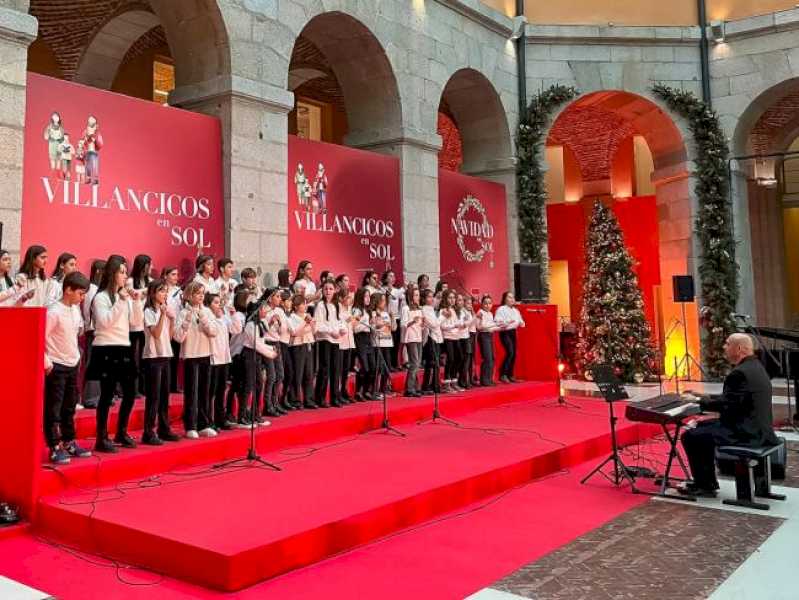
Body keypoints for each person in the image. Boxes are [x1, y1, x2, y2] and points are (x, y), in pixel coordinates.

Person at [680, 333, 780, 498]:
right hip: (759, 427)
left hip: (745, 433)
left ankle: (705, 485)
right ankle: (706, 481)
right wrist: (701, 396)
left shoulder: (739, 373)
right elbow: (734, 399)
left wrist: (699, 403)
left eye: (727, 344)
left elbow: (726, 405)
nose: (724, 347)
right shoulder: (756, 366)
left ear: (739, 348)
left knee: (691, 435)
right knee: (700, 427)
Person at [88, 255, 142, 452]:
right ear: (112, 274)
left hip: (123, 346)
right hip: (106, 348)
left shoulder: (124, 297)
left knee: (129, 393)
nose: (125, 275)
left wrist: (135, 302)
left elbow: (136, 323)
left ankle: (121, 431)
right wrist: (121, 300)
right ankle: (101, 438)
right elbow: (104, 322)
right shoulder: (101, 297)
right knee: (107, 395)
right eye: (121, 271)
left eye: (126, 272)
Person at [44, 271, 92, 464]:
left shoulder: (74, 309)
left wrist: (77, 359)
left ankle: (69, 441)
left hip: (72, 364)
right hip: (56, 365)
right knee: (53, 409)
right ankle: (54, 447)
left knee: (69, 407)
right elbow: (40, 339)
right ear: (68, 290)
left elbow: (73, 336)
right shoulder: (53, 312)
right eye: (80, 293)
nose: (83, 298)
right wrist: (46, 363)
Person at [173, 281, 218, 439]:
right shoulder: (183, 312)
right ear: (190, 295)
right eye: (198, 293)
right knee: (192, 391)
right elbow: (178, 337)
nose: (201, 296)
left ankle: (203, 424)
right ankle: (190, 425)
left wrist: (204, 320)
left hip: (205, 353)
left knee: (205, 390)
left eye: (202, 293)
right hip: (191, 355)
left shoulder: (206, 311)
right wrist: (186, 322)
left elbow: (214, 331)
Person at [141, 278, 178, 445]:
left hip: (165, 354)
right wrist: (163, 315)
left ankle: (164, 428)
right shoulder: (148, 311)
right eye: (161, 291)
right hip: (152, 357)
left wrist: (171, 319)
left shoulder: (165, 311)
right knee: (154, 396)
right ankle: (148, 432)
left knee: (164, 395)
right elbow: (155, 334)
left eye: (166, 291)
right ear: (153, 293)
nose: (164, 294)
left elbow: (168, 337)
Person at [206, 291, 242, 430]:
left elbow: (236, 329)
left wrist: (232, 315)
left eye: (220, 302)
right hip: (213, 358)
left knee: (221, 390)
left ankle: (220, 419)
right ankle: (208, 420)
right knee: (211, 392)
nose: (219, 305)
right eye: (215, 302)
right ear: (208, 305)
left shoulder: (224, 317)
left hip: (224, 358)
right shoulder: (208, 318)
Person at [241, 300, 278, 425]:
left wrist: (270, 349)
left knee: (258, 384)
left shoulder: (260, 323)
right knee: (248, 386)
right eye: (262, 309)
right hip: (249, 355)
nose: (265, 311)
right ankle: (242, 416)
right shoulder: (250, 325)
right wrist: (269, 353)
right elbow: (255, 344)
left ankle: (255, 413)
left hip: (257, 356)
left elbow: (262, 342)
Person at [314, 280, 346, 407]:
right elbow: (318, 325)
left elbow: (341, 320)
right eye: (326, 289)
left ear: (335, 291)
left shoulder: (337, 305)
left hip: (335, 340)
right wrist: (331, 332)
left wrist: (342, 329)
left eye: (330, 289)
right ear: (322, 290)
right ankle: (320, 398)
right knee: (324, 369)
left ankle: (335, 397)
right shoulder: (320, 305)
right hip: (325, 340)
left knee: (335, 369)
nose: (328, 291)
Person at [287, 294, 317, 409]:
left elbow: (314, 331)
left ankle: (309, 399)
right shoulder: (292, 318)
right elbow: (295, 333)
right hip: (297, 346)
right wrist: (305, 324)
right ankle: (295, 400)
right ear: (295, 306)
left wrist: (311, 324)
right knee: (297, 374)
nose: (305, 306)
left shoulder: (307, 316)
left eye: (305, 303)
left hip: (308, 344)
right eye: (302, 304)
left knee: (309, 373)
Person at [128, 254, 151, 398]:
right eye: (149, 265)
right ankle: (132, 389)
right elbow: (132, 298)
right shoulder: (130, 281)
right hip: (134, 325)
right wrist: (143, 293)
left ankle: (143, 387)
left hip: (147, 324)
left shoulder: (151, 281)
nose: (151, 268)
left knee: (145, 357)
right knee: (133, 358)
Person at [494, 291, 525, 383]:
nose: (512, 299)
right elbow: (497, 321)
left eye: (513, 297)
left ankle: (510, 374)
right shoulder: (501, 309)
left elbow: (521, 321)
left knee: (514, 353)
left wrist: (521, 322)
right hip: (505, 332)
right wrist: (507, 322)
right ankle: (502, 374)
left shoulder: (516, 310)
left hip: (513, 332)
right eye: (509, 297)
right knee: (510, 352)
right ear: (505, 299)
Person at [161, 266, 183, 393]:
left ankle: (174, 385)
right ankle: (164, 386)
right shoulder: (163, 290)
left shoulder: (179, 291)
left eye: (177, 274)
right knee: (165, 359)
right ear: (165, 276)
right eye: (173, 274)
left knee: (175, 358)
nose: (176, 277)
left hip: (176, 327)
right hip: (163, 327)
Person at [369, 291, 395, 399]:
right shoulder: (373, 313)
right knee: (378, 368)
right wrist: (380, 324)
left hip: (387, 342)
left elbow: (393, 328)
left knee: (387, 367)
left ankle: (383, 390)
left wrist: (392, 318)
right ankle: (375, 391)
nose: (385, 303)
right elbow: (373, 328)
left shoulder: (385, 314)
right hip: (378, 343)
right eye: (383, 300)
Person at [401, 285, 424, 397]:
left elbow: (421, 325)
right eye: (415, 295)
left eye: (418, 295)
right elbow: (404, 324)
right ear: (410, 297)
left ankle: (413, 386)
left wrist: (423, 324)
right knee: (414, 363)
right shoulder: (406, 308)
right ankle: (410, 388)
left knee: (417, 363)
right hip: (410, 338)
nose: (418, 297)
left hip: (418, 337)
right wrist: (413, 321)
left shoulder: (420, 309)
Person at [439, 289, 464, 393]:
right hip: (448, 337)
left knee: (459, 358)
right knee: (451, 359)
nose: (452, 300)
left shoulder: (453, 310)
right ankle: (446, 383)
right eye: (450, 298)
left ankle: (454, 380)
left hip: (456, 337)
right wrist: (454, 325)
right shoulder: (443, 310)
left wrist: (460, 325)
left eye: (453, 298)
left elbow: (455, 323)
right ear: (445, 299)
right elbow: (442, 326)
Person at [352, 287, 374, 400]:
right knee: (364, 366)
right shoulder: (357, 310)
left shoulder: (368, 311)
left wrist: (373, 324)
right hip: (360, 338)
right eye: (366, 296)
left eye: (369, 296)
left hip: (368, 338)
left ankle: (366, 390)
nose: (368, 299)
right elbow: (354, 328)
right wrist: (366, 324)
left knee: (372, 366)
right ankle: (358, 391)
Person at [476, 294, 502, 387]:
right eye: (485, 303)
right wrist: (490, 326)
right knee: (487, 358)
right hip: (483, 335)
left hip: (490, 335)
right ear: (482, 304)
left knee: (492, 358)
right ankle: (484, 380)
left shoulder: (490, 314)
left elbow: (493, 326)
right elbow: (479, 327)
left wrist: (500, 326)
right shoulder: (480, 312)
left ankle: (490, 379)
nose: (488, 305)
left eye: (490, 303)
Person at [421, 288, 443, 395]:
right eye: (429, 296)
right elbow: (433, 325)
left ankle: (434, 385)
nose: (432, 298)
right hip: (431, 339)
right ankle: (428, 386)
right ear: (424, 299)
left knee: (435, 363)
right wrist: (442, 317)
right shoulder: (424, 309)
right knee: (431, 363)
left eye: (432, 296)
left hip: (436, 338)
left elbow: (436, 324)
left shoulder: (431, 309)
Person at [337, 289, 356, 403]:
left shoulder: (349, 309)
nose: (349, 300)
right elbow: (338, 324)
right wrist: (346, 321)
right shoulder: (337, 308)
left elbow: (351, 325)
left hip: (349, 341)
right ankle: (338, 391)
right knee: (339, 369)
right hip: (341, 341)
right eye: (347, 297)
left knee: (346, 368)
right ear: (341, 298)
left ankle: (344, 390)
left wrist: (353, 321)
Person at [456, 295, 475, 390]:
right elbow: (463, 324)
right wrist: (471, 319)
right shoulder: (459, 311)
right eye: (460, 300)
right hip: (460, 337)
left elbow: (468, 323)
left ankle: (466, 380)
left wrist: (471, 318)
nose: (461, 302)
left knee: (467, 360)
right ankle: (462, 381)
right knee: (463, 360)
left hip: (466, 336)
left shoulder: (465, 312)